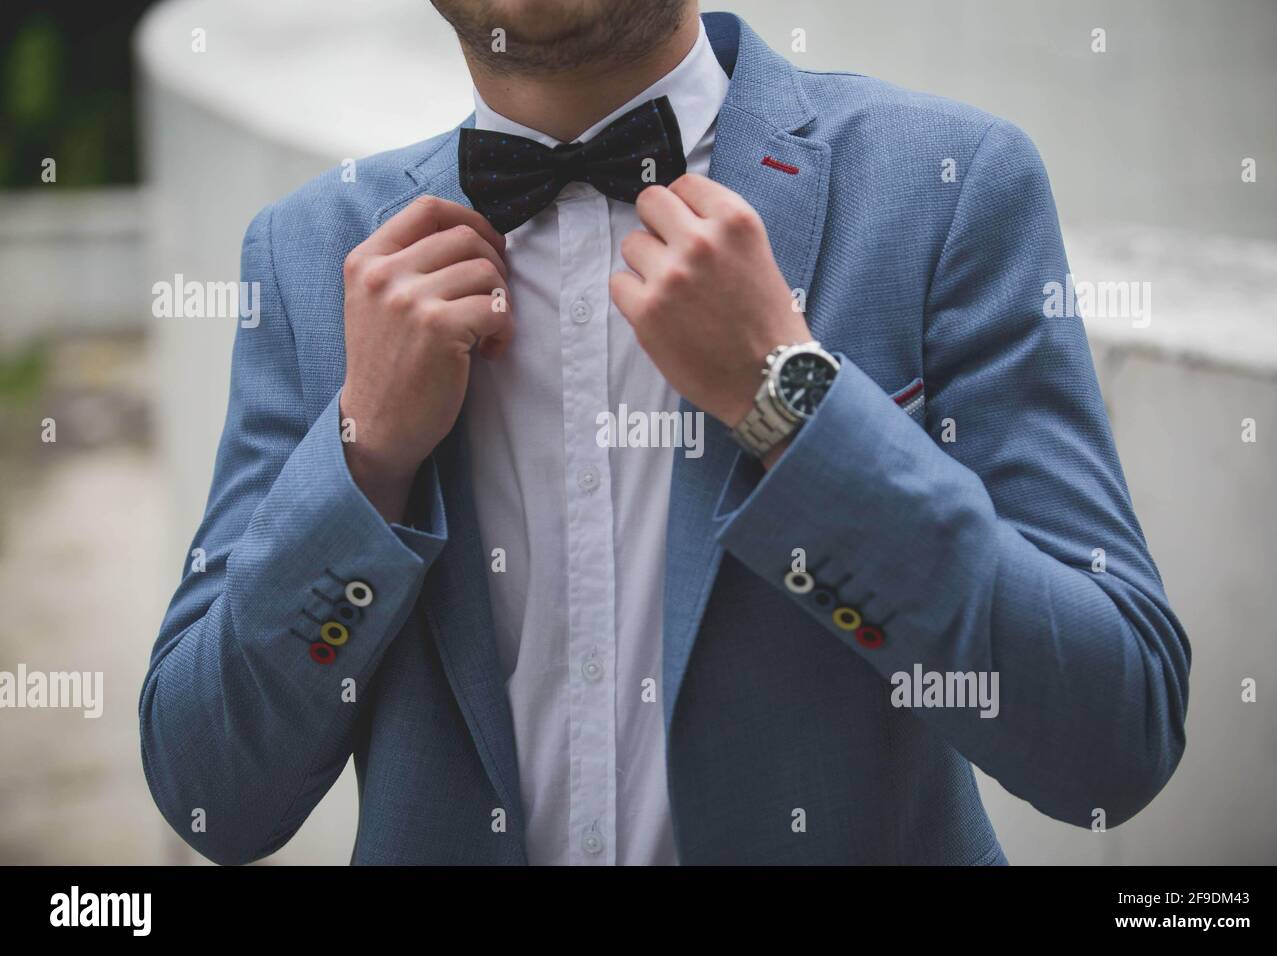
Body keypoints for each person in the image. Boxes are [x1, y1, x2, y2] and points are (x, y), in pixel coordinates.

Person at [139, 3, 1190, 865]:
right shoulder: (308, 251)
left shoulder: (950, 188)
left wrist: (791, 398)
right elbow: (209, 795)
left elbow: (1113, 736)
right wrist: (362, 462)